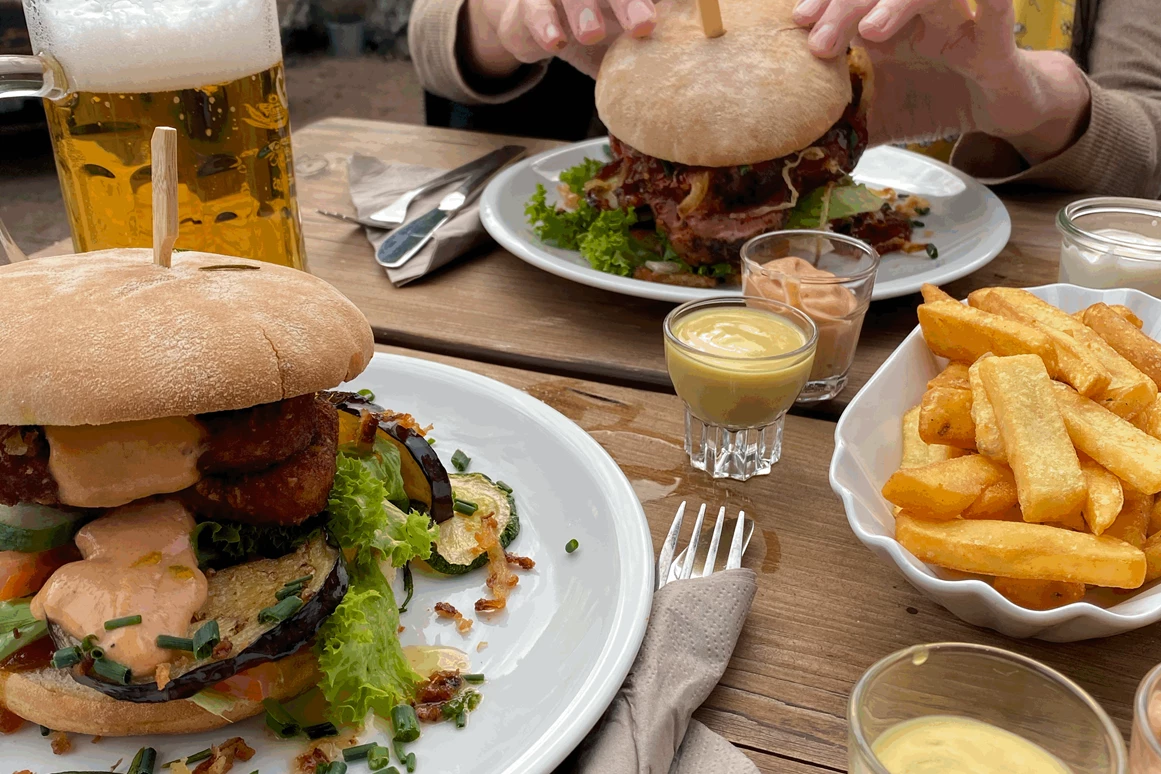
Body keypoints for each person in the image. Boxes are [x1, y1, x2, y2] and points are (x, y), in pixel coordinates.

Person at [409, 0, 1161, 197]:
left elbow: (1148, 142)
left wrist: (1041, 103)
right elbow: (434, 36)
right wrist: (511, 18)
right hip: (612, 339)